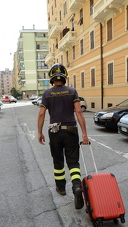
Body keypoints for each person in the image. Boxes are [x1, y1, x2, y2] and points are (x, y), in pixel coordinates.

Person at [37, 63, 89, 210]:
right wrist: (84, 134)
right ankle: (77, 187)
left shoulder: (47, 94)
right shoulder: (72, 92)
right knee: (73, 162)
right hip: (71, 130)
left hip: (54, 132)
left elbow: (41, 114)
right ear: (64, 77)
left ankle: (61, 188)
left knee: (58, 161)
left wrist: (39, 132)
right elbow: (79, 112)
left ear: (52, 78)